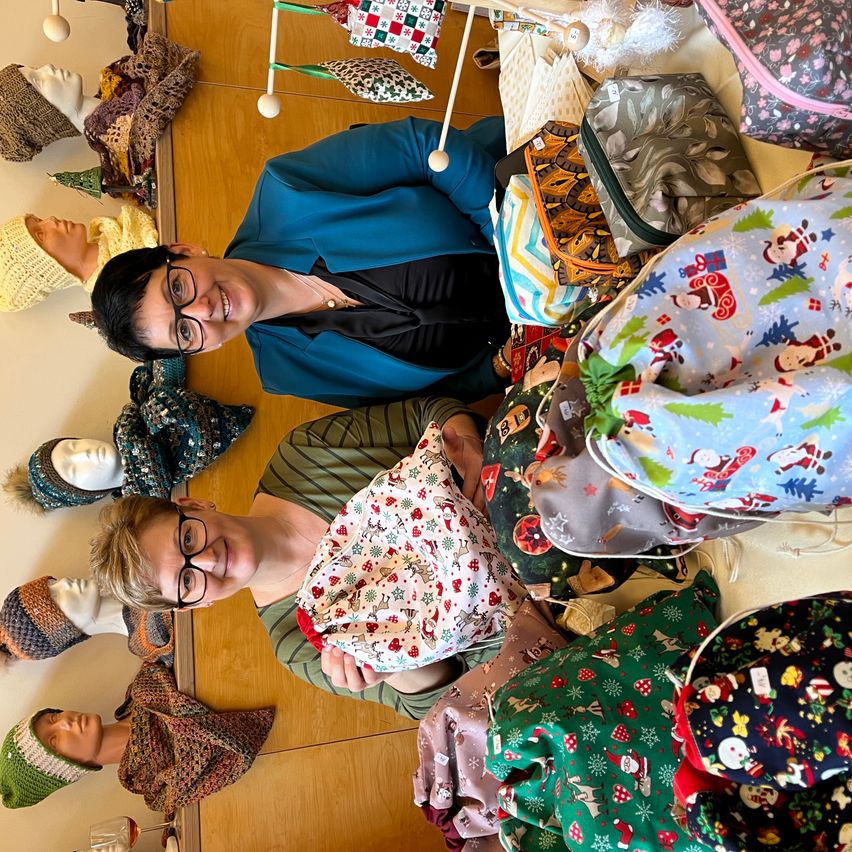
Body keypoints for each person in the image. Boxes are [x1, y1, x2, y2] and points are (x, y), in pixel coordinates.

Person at [90, 397, 498, 719]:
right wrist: (395, 668)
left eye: (189, 538)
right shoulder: (296, 641)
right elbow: (444, 704)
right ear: (198, 604)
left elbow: (429, 412)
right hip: (532, 621)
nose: (209, 561)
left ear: (195, 504)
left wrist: (469, 447)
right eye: (187, 582)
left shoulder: (304, 454)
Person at [90, 116, 513, 406]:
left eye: (177, 288)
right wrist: (497, 368)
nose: (202, 310)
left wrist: (511, 241)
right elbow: (420, 403)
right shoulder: (287, 374)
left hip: (530, 195)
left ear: (183, 251)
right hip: (545, 333)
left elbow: (425, 147)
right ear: (204, 347)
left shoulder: (286, 189)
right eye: (185, 331)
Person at [0, 663, 273, 812]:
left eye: (53, 718)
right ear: (68, 769)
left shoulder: (138, 694)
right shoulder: (155, 778)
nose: (66, 722)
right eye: (55, 740)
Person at [3, 359, 253, 511]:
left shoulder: (139, 414)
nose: (85, 453)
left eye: (72, 447)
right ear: (86, 494)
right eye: (73, 471)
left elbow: (165, 360)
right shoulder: (146, 503)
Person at [0, 33, 199, 205]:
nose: (48, 67)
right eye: (38, 81)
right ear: (46, 118)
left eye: (35, 68)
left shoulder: (120, 76)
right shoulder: (124, 156)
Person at [0, 205, 158, 312]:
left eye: (40, 220)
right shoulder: (121, 288)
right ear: (50, 269)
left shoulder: (120, 227)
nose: (51, 220)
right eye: (41, 234)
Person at [0, 575, 174, 668]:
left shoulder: (138, 576)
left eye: (54, 583)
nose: (65, 582)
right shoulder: (152, 636)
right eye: (55, 596)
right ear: (63, 631)